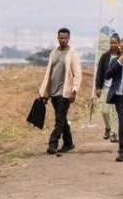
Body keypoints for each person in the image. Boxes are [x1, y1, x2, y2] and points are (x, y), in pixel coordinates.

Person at [38, 27, 82, 155]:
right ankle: (68, 143)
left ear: (69, 38)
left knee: (59, 119)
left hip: (65, 91)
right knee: (61, 118)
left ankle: (53, 143)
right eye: (61, 38)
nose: (63, 40)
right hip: (53, 91)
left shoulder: (72, 53)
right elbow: (49, 73)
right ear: (58, 38)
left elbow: (78, 74)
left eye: (65, 38)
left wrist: (74, 90)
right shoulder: (53, 53)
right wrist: (44, 91)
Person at [94, 33, 121, 143]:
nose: (113, 45)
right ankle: (108, 127)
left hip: (116, 88)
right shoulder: (104, 56)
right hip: (105, 87)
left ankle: (114, 134)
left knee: (115, 112)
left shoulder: (122, 56)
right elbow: (99, 72)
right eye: (111, 43)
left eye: (115, 43)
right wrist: (98, 87)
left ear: (119, 43)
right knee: (104, 111)